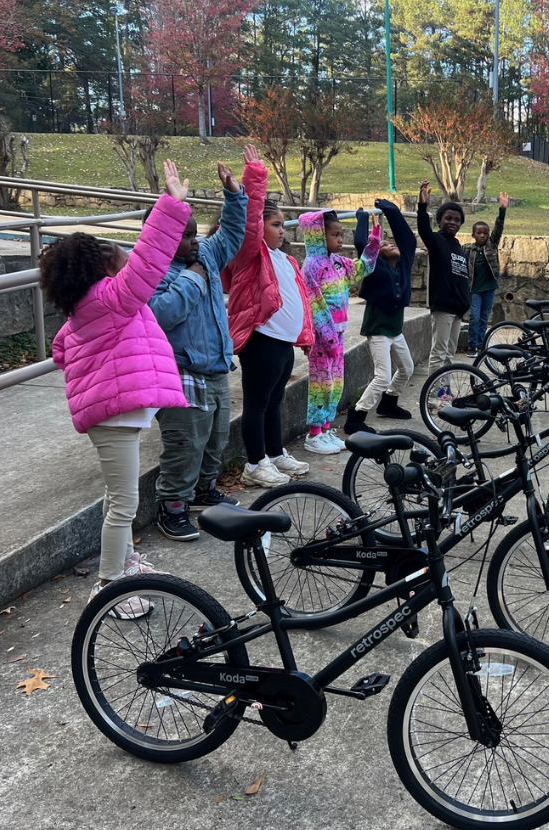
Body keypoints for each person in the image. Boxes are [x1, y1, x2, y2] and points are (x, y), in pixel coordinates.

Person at [44, 160, 193, 618]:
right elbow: (149, 259)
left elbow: (61, 351)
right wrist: (172, 206)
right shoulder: (111, 300)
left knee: (118, 497)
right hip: (114, 418)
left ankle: (124, 567)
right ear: (99, 269)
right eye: (112, 251)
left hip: (114, 416)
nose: (121, 253)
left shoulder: (86, 311)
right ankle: (109, 588)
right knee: (125, 502)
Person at [147, 147, 251, 541]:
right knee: (185, 443)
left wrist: (234, 196)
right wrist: (191, 277)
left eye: (192, 233)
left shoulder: (205, 254)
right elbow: (161, 313)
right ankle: (172, 504)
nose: (193, 242)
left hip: (215, 368)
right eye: (183, 236)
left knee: (214, 439)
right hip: (179, 373)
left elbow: (232, 235)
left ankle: (203, 489)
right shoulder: (154, 272)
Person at [222, 146, 315, 487]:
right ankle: (254, 463)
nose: (282, 231)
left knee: (276, 400)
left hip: (283, 344)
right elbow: (249, 221)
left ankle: (275, 454)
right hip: (260, 342)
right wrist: (254, 177)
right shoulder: (251, 255)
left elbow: (299, 301)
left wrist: (305, 337)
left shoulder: (285, 260)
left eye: (282, 225)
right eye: (275, 225)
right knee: (257, 403)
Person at [298, 207, 380, 454]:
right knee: (320, 384)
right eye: (334, 235)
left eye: (341, 234)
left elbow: (363, 267)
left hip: (338, 335)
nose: (340, 240)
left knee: (334, 384)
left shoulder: (339, 263)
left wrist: (374, 239)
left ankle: (325, 429)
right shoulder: (312, 266)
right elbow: (314, 303)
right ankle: (313, 435)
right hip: (323, 339)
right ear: (317, 236)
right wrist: (328, 337)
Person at [344, 198, 418, 435]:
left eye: (392, 243)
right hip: (378, 331)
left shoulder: (403, 265)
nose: (392, 245)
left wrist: (392, 210)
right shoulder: (374, 266)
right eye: (385, 244)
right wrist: (363, 217)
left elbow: (407, 240)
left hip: (395, 330)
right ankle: (356, 417)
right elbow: (361, 244)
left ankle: (388, 404)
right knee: (382, 376)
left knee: (407, 368)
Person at [417, 180, 470, 369]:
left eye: (457, 220)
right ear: (440, 220)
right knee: (439, 353)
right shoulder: (437, 240)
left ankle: (444, 393)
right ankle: (434, 395)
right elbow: (423, 229)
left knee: (449, 354)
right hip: (443, 307)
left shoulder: (457, 246)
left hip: (458, 308)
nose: (452, 222)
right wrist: (422, 206)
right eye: (448, 218)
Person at [463, 193, 508, 357]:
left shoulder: (492, 245)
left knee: (483, 318)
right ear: (473, 235)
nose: (482, 235)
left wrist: (502, 210)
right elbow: (450, 250)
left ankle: (481, 345)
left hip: (489, 288)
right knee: (474, 318)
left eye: (485, 233)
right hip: (475, 289)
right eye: (479, 233)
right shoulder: (468, 249)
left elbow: (499, 228)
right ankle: (472, 345)